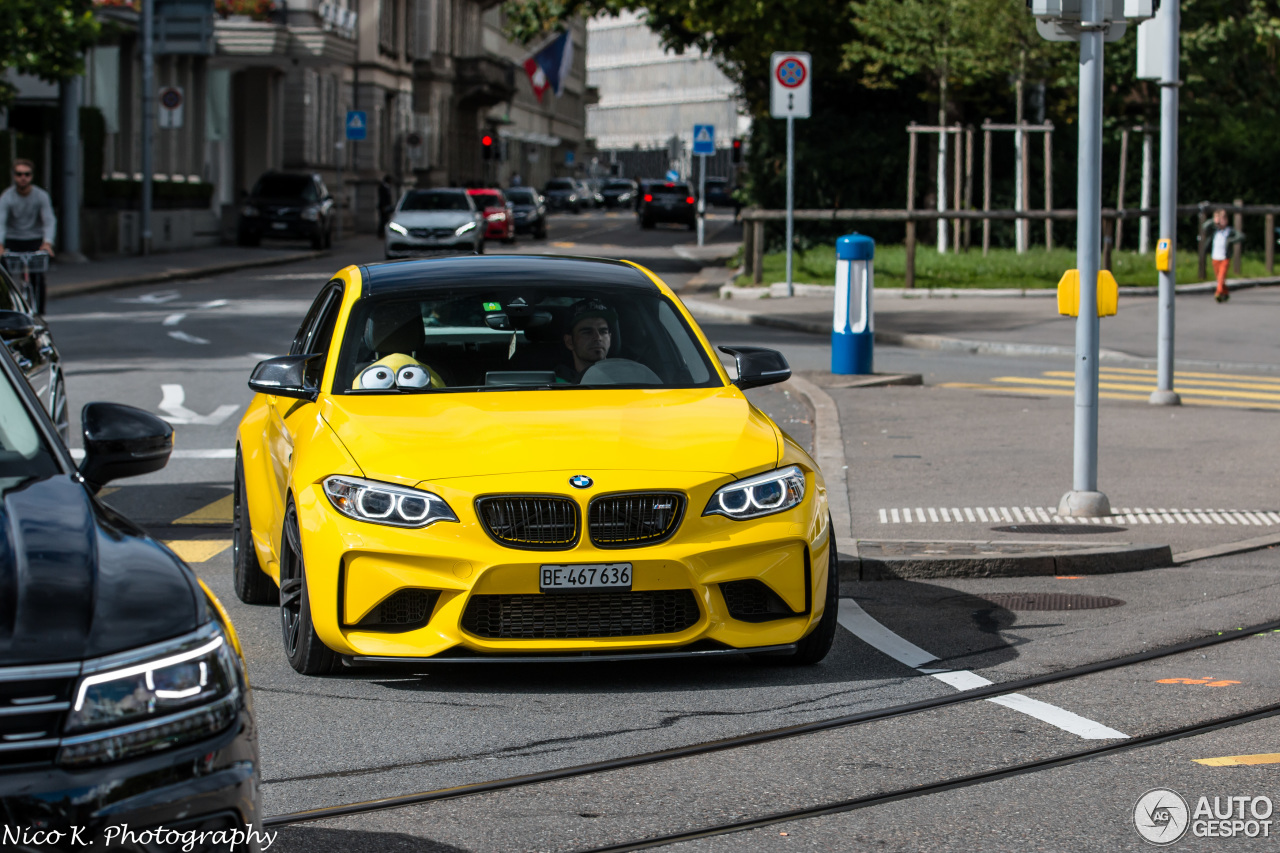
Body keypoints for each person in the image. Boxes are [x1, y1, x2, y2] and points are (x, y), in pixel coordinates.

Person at [0, 159, 56, 313]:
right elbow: (1, 222)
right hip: (13, 239)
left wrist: (47, 242)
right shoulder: (7, 197)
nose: (23, 177)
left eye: (27, 174)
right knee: (5, 279)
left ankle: (40, 313)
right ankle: (8, 309)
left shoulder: (40, 196)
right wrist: (0, 244)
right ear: (14, 176)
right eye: (19, 174)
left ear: (31, 176)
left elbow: (49, 220)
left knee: (37, 277)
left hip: (34, 240)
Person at [557, 298, 616, 384]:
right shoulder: (556, 384)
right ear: (569, 342)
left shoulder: (628, 378)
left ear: (610, 338)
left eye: (603, 331)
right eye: (587, 332)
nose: (598, 337)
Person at [1202, 208, 1244, 303]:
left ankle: (1218, 293)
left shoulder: (1229, 231)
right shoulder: (1214, 231)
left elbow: (1241, 236)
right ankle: (1225, 293)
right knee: (1219, 278)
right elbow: (1204, 226)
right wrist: (1214, 221)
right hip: (1215, 257)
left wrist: (1230, 241)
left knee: (1221, 277)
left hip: (1225, 257)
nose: (1221, 221)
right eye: (1219, 219)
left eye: (1223, 219)